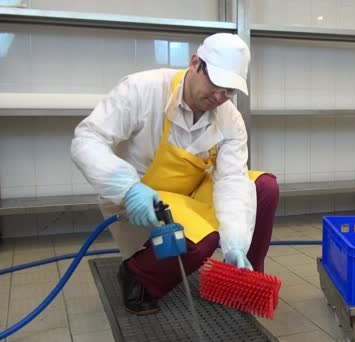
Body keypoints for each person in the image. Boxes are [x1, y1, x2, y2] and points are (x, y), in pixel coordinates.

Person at [70, 33, 279, 315]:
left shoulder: (230, 118)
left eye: (229, 91)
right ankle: (136, 275)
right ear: (195, 63)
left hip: (190, 191)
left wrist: (236, 244)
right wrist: (127, 188)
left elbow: (231, 180)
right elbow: (87, 140)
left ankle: (241, 276)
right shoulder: (142, 90)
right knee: (200, 238)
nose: (220, 97)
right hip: (141, 196)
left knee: (263, 187)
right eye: (216, 84)